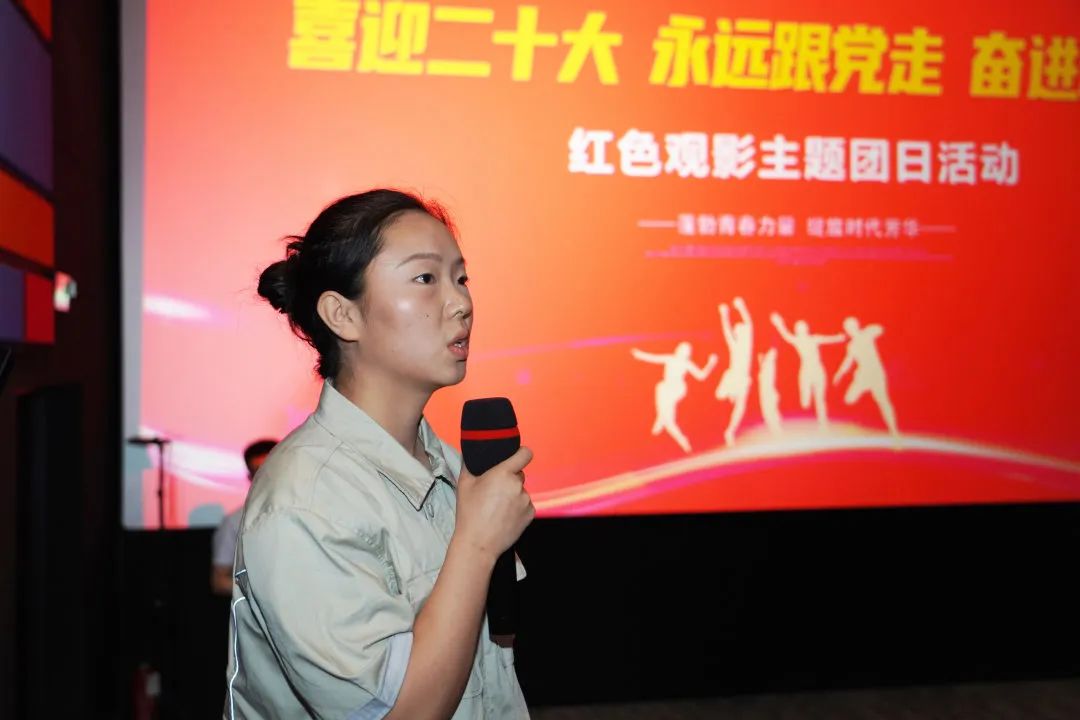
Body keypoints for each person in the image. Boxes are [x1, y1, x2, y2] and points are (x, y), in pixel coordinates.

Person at [225, 189, 534, 719]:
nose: (461, 303)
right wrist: (479, 544)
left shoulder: (449, 465)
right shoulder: (304, 501)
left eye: (461, 278)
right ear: (341, 315)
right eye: (426, 278)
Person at [211, 439, 277, 597]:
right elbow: (219, 582)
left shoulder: (311, 510)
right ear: (249, 477)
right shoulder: (234, 521)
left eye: (273, 469)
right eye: (259, 472)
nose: (267, 478)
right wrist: (263, 593)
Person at [630, 342, 717, 453]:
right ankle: (681, 439)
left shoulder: (687, 363)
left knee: (661, 389)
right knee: (669, 420)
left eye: (686, 350)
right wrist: (640, 355)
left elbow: (701, 376)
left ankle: (661, 417)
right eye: (681, 349)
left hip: (677, 388)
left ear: (688, 354)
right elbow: (654, 358)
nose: (682, 351)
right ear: (677, 350)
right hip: (667, 388)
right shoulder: (670, 358)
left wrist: (710, 363)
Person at [715, 297, 753, 447]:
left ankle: (730, 431)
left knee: (741, 406)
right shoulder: (734, 344)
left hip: (743, 378)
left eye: (742, 329)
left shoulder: (747, 343)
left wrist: (741, 307)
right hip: (733, 375)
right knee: (720, 396)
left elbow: (749, 323)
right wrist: (724, 314)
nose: (741, 331)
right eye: (738, 330)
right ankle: (730, 394)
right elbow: (727, 330)